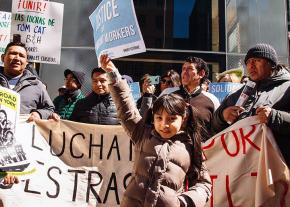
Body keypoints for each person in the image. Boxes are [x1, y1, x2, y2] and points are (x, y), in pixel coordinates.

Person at [100, 54, 211, 207]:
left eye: (171, 119)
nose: (164, 125)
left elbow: (204, 184)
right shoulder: (143, 133)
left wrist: (184, 202)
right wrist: (113, 74)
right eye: (159, 118)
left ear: (183, 118)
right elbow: (126, 109)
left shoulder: (191, 146)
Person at [211, 43, 290, 167]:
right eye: (248, 62)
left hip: (276, 168)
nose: (251, 65)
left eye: (257, 60)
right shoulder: (237, 94)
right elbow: (214, 127)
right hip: (242, 170)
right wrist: (222, 116)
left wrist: (274, 117)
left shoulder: (287, 88)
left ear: (272, 64)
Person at [0, 41, 55, 122]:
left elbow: (50, 109)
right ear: (2, 57)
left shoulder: (37, 85)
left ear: (26, 62)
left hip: (23, 133)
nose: (17, 58)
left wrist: (39, 114)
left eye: (21, 56)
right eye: (13, 53)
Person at [169, 57, 220, 140]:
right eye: (183, 69)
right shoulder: (168, 94)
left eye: (189, 69)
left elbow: (217, 130)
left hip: (201, 151)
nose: (184, 72)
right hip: (171, 150)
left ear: (201, 73)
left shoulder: (212, 100)